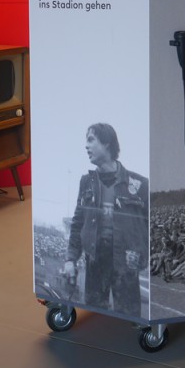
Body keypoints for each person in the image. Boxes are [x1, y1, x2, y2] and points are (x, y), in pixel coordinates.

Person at [64, 123, 149, 317]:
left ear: (107, 143)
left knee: (129, 318)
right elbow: (77, 225)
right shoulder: (86, 182)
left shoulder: (140, 185)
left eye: (91, 140)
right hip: (95, 262)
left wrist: (140, 256)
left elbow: (149, 226)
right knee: (93, 315)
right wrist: (70, 259)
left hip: (126, 265)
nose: (86, 146)